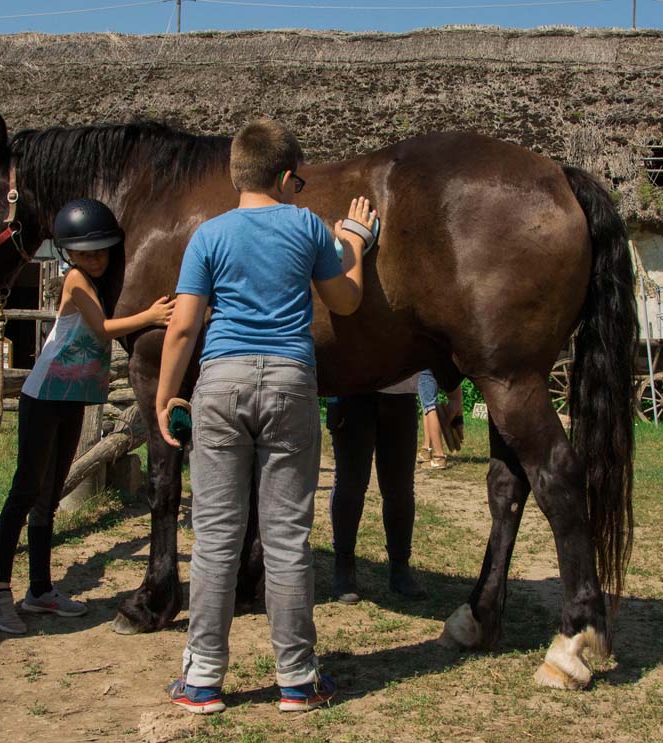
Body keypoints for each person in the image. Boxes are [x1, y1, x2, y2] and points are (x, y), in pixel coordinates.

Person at [156, 117, 376, 715]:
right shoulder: (306, 225)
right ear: (286, 177)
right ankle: (297, 680)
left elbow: (183, 325)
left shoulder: (209, 235)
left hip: (220, 384)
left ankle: (201, 680)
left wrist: (166, 395)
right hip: (288, 382)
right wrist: (354, 241)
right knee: (286, 538)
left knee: (215, 539)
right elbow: (346, 301)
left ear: (236, 175)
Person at [0, 199, 175, 634]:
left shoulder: (99, 278)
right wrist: (152, 315)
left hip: (70, 398)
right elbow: (102, 329)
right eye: (85, 253)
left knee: (49, 494)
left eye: (101, 251)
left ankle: (41, 590)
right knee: (25, 490)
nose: (95, 259)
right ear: (69, 254)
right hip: (44, 394)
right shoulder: (76, 280)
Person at [326, 373, 428, 605]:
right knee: (350, 484)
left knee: (400, 488)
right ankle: (344, 567)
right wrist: (333, 398)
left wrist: (453, 395)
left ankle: (400, 567)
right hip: (353, 391)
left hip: (402, 393)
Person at [417, 369, 465, 470]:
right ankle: (426, 449)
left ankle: (439, 457)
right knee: (427, 406)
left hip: (426, 365)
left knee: (429, 406)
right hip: (444, 364)